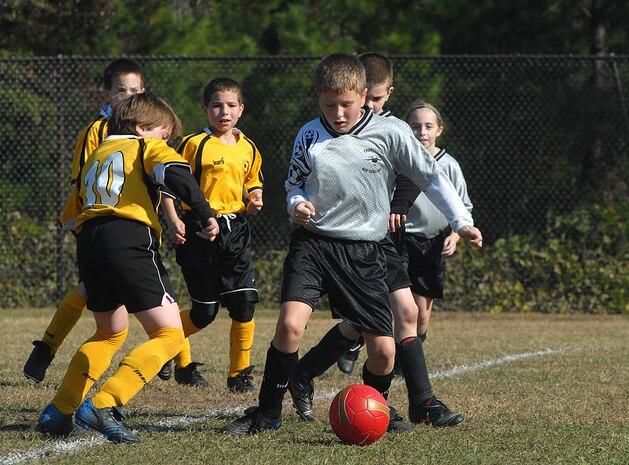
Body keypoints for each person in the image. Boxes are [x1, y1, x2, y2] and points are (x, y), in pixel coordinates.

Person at [220, 52, 482, 436]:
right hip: (313, 245)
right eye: (329, 104)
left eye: (346, 104)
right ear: (318, 99)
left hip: (365, 251)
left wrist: (462, 222)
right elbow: (293, 184)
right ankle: (267, 414)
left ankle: (376, 410)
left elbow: (431, 177)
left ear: (364, 95)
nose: (338, 113)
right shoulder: (310, 133)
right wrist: (297, 204)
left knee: (384, 351)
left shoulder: (391, 133)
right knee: (290, 327)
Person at [290, 52, 466, 428]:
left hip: (382, 237)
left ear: (383, 93)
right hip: (357, 238)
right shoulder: (336, 128)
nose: (364, 108)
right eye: (363, 102)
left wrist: (446, 217)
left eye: (375, 101)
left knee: (401, 315)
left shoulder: (389, 128)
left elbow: (416, 174)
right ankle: (400, 403)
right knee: (377, 322)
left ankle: (415, 402)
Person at [36, 92, 219, 444]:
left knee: (109, 333)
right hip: (128, 237)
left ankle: (59, 410)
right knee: (170, 334)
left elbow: (70, 215)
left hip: (89, 241)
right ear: (141, 128)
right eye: (165, 136)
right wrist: (204, 211)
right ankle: (105, 403)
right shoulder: (142, 147)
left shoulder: (96, 155)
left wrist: (97, 253)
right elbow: (175, 172)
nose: (167, 143)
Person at [23, 58, 147, 383]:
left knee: (94, 290)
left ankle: (46, 349)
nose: (128, 96)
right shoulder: (98, 130)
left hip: (131, 224)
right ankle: (47, 348)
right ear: (107, 93)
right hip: (95, 222)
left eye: (135, 90)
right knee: (103, 291)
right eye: (121, 90)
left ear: (144, 91)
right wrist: (84, 225)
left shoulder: (146, 128)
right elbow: (81, 181)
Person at [161, 77, 263, 393]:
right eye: (217, 105)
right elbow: (168, 183)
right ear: (205, 109)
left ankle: (239, 374)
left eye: (231, 105)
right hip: (200, 231)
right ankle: (166, 348)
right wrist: (174, 219)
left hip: (236, 231)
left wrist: (255, 198)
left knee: (245, 303)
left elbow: (252, 180)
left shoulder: (249, 146)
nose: (224, 112)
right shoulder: (194, 144)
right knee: (204, 312)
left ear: (241, 109)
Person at [405, 101, 473, 339]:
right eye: (415, 126)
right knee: (398, 306)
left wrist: (455, 235)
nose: (422, 132)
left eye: (428, 126)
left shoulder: (449, 165)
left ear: (439, 130)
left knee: (421, 313)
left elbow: (463, 207)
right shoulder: (400, 162)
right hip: (399, 240)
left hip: (431, 244)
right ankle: (355, 340)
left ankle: (411, 355)